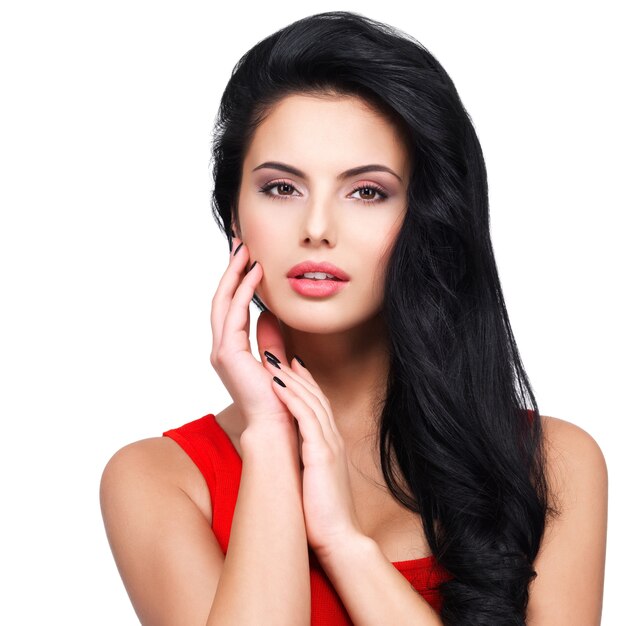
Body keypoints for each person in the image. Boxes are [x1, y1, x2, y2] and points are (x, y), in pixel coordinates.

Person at [99, 10, 607, 626]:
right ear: (235, 218)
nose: (317, 229)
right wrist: (269, 442)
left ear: (426, 218)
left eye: (367, 191)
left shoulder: (552, 463)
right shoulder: (159, 482)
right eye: (281, 188)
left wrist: (345, 546)